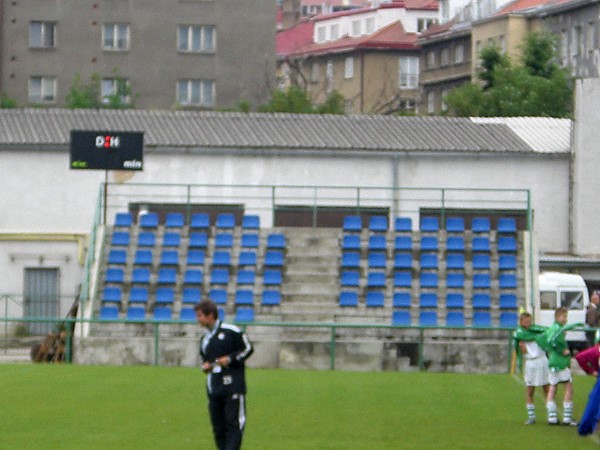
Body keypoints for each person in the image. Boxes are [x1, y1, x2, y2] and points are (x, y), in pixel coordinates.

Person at [195, 299, 254, 450]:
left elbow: (247, 348)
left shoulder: (230, 331)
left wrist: (230, 359)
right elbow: (206, 360)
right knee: (218, 428)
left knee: (233, 425)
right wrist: (206, 366)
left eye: (200, 315)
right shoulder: (204, 339)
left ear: (210, 315)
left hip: (233, 386)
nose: (198, 319)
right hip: (214, 388)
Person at [536, 307, 583, 426]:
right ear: (557, 317)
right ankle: (567, 418)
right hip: (560, 363)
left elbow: (540, 339)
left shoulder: (552, 328)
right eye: (564, 316)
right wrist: (560, 350)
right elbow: (552, 339)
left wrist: (550, 350)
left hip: (552, 362)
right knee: (568, 388)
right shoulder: (557, 329)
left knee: (553, 387)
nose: (565, 319)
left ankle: (552, 417)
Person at [513, 312, 549, 425]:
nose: (528, 323)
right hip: (531, 362)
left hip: (542, 360)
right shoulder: (519, 333)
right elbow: (523, 344)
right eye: (526, 321)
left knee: (547, 388)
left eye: (530, 321)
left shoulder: (537, 329)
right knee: (530, 389)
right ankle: (531, 416)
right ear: (521, 321)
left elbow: (548, 331)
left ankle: (551, 414)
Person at [575, 329, 600, 436]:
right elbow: (580, 357)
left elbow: (579, 357)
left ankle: (588, 425)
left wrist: (591, 370)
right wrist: (591, 371)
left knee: (594, 402)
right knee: (594, 402)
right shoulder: (596, 351)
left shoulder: (595, 350)